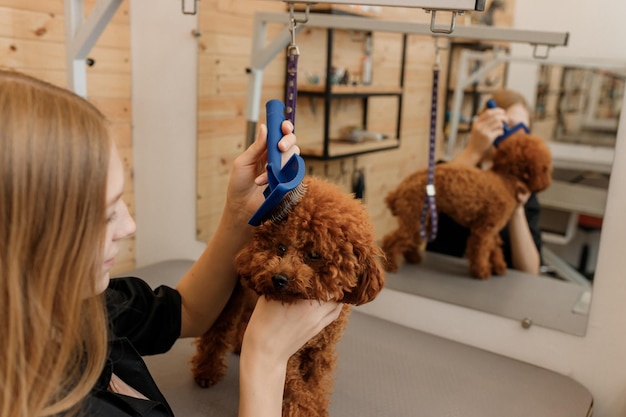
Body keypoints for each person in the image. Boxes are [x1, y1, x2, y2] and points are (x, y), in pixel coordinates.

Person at [0, 69, 342, 417]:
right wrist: (264, 362)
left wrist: (240, 211)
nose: (129, 226)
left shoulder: (75, 304)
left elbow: (186, 312)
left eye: (122, 202)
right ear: (22, 236)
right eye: (105, 215)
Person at [427, 89, 542, 274]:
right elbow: (423, 202)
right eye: (509, 125)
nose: (514, 138)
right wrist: (474, 150)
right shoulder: (451, 170)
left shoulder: (523, 190)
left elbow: (530, 270)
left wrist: (517, 210)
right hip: (438, 276)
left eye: (522, 131)